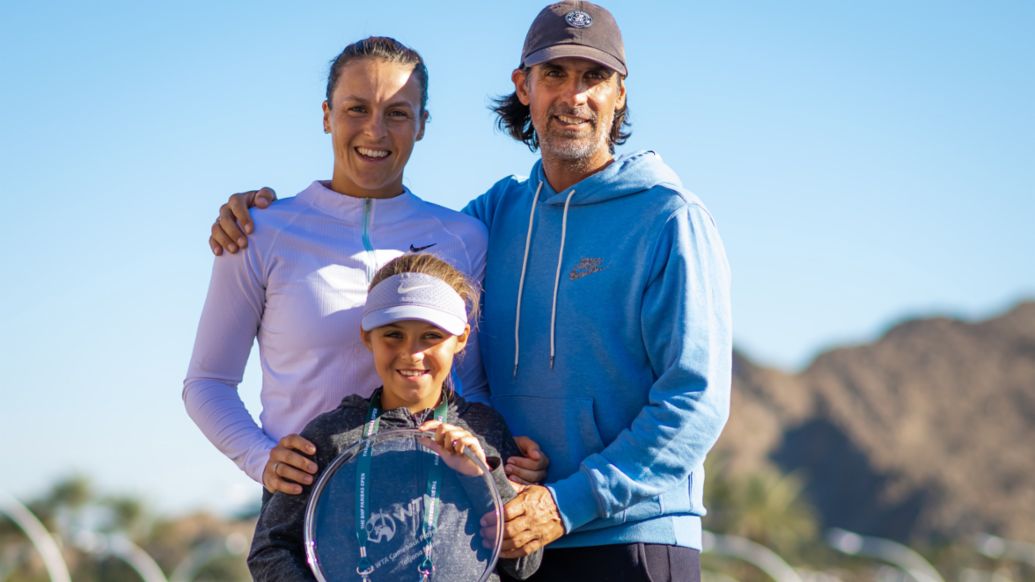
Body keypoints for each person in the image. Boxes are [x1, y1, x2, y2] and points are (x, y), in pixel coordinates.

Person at [212, 3, 732, 580]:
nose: (574, 95)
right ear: (523, 86)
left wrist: (567, 503)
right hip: (505, 536)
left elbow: (696, 401)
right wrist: (257, 214)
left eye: (594, 76)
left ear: (620, 93)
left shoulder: (668, 217)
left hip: (628, 535)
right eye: (554, 73)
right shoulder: (492, 216)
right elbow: (390, 252)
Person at [184, 36, 546, 501]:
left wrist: (500, 454)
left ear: (422, 125)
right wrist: (261, 458)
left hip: (435, 508)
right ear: (326, 115)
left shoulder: (464, 237)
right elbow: (207, 382)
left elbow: (470, 387)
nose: (375, 131)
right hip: (306, 507)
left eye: (397, 113)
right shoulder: (258, 231)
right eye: (357, 108)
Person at [248, 254, 540, 581]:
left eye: (431, 335)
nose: (412, 353)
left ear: (461, 338)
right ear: (366, 335)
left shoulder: (484, 431)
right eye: (393, 334)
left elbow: (525, 563)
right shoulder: (329, 436)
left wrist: (481, 477)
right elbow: (270, 548)